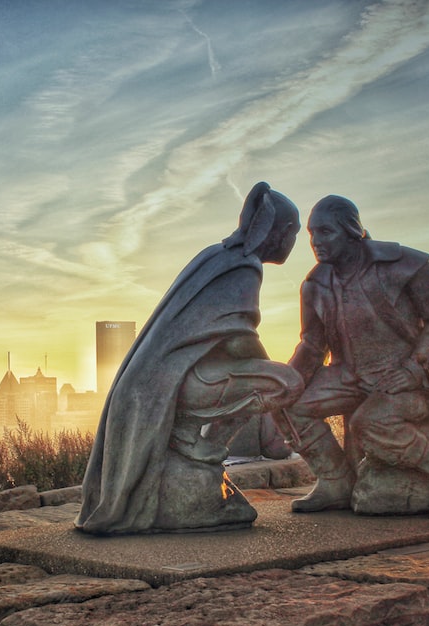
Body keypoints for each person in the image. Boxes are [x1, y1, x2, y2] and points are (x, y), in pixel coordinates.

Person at [76, 182, 305, 535]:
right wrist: (272, 382)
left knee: (269, 379)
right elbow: (239, 343)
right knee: (285, 382)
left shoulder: (216, 256)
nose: (295, 242)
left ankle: (190, 443)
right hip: (181, 382)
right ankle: (199, 446)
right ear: (283, 232)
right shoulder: (244, 266)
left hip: (165, 381)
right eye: (295, 233)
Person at [279, 195, 429, 519]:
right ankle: (336, 482)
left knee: (370, 423)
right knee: (286, 407)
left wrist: (414, 369)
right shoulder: (315, 284)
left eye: (325, 232)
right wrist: (284, 382)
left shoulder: (406, 264)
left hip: (408, 379)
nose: (316, 242)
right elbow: (312, 345)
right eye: (312, 234)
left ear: (351, 229)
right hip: (348, 376)